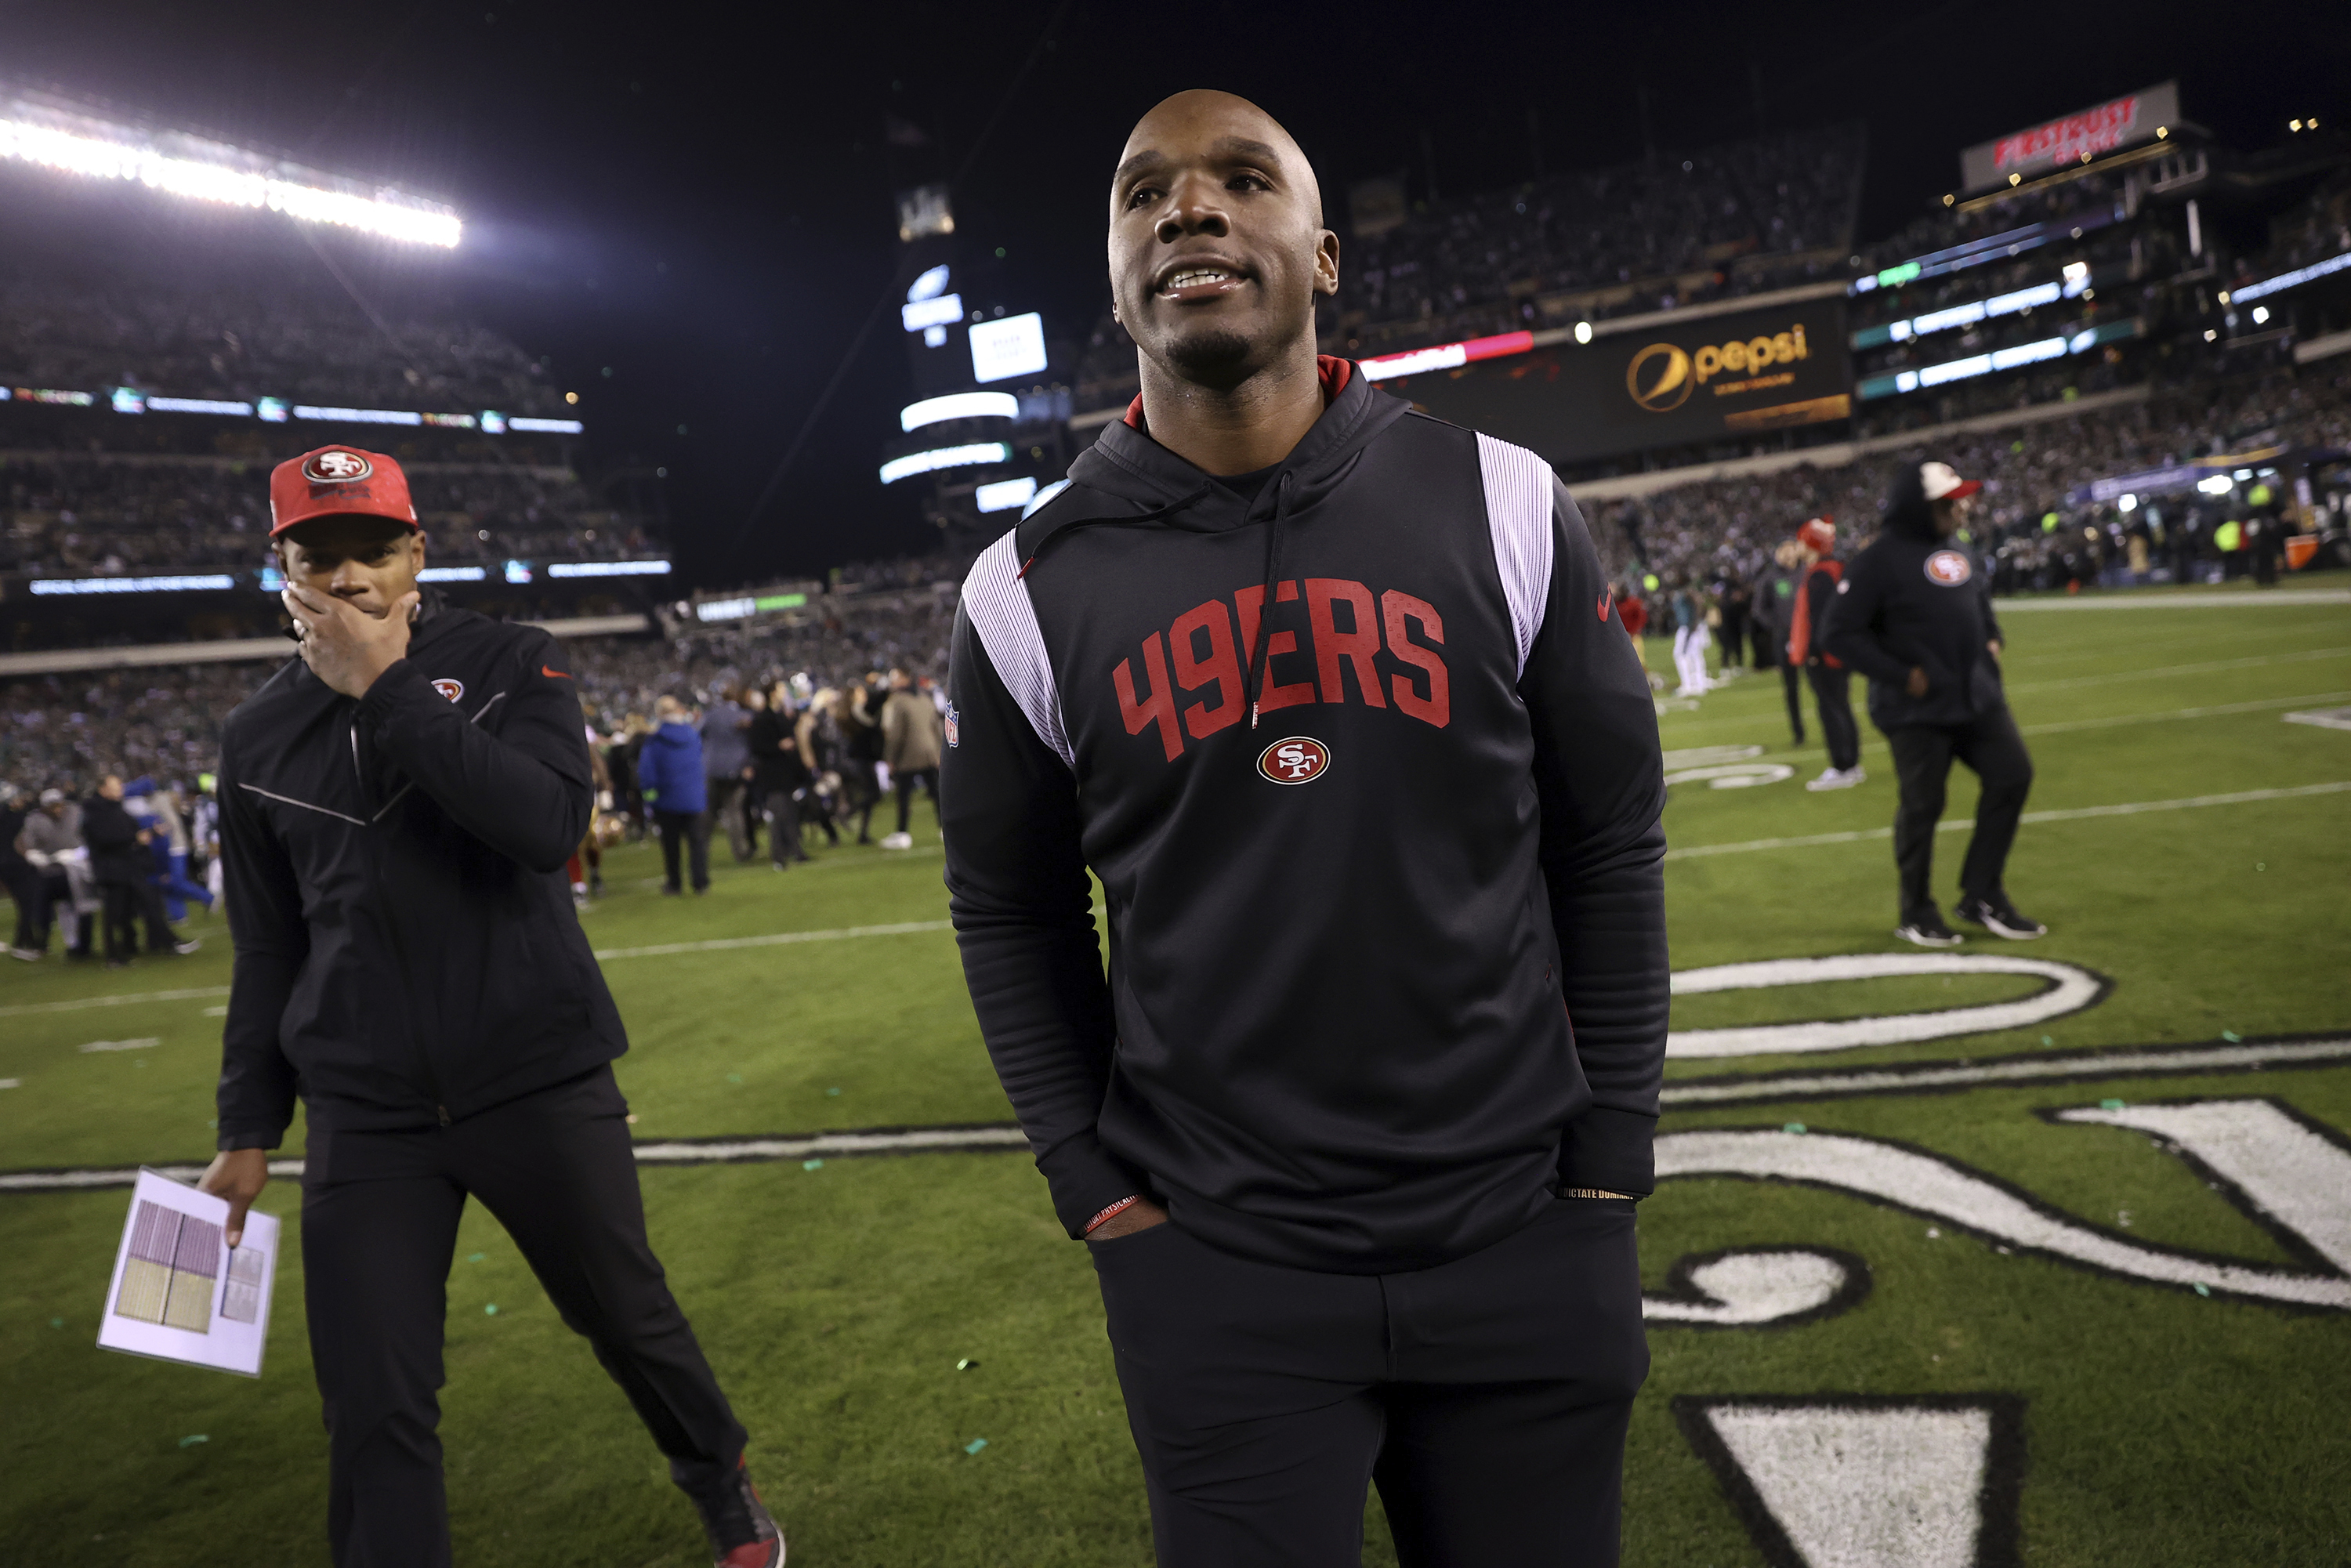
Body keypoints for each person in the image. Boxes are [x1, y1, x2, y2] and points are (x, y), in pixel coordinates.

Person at [942, 90, 1665, 1567]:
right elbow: (1011, 910)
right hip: (1220, 1268)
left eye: (1239, 180)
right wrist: (1094, 1188)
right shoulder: (1021, 587)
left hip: (1522, 1232)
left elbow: (1608, 839)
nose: (1187, 208)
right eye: (1144, 191)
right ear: (1117, 270)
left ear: (1323, 253)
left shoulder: (1505, 501)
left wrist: (1611, 1159)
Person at [194, 445, 780, 1567]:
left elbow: (545, 827)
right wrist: (245, 1125)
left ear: (419, 552)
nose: (352, 577)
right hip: (368, 1109)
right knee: (371, 1397)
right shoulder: (253, 736)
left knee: (628, 1320)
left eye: (375, 550)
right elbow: (268, 944)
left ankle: (720, 1475)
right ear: (283, 567)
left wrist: (388, 686)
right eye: (323, 556)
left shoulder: (515, 661)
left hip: (534, 1072)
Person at [1823, 460, 2045, 949]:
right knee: (1924, 806)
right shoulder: (1876, 561)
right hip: (1915, 709)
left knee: (2012, 775)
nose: (1959, 509)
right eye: (1948, 502)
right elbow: (1838, 633)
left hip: (1977, 697)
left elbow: (1978, 605)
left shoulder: (1957, 550)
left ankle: (1981, 893)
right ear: (1918, 507)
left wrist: (1992, 639)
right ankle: (1916, 910)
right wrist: (1900, 675)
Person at [81, 774, 190, 966]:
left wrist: (150, 834)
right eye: (115, 786)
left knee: (147, 904)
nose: (120, 789)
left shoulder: (115, 809)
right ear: (102, 789)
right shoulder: (96, 812)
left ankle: (162, 942)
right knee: (115, 913)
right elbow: (105, 838)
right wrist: (135, 838)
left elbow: (129, 832)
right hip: (112, 870)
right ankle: (114, 955)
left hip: (128, 867)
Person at [1788, 516, 1863, 790]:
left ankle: (1842, 766)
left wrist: (1814, 651)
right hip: (1837, 653)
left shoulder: (1820, 573)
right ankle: (1851, 764)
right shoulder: (1831, 569)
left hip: (1825, 656)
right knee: (1841, 706)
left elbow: (1820, 618)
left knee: (1831, 709)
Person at [639, 694, 713, 894]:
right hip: (694, 798)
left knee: (671, 846)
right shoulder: (692, 735)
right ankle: (701, 882)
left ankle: (675, 883)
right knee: (698, 843)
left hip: (667, 799)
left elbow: (647, 773)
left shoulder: (655, 740)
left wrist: (650, 797)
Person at [746, 684, 810, 867]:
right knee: (779, 815)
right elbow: (757, 746)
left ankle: (795, 851)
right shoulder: (763, 718)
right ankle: (779, 856)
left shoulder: (780, 715)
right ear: (773, 694)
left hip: (785, 773)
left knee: (789, 814)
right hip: (772, 775)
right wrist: (779, 746)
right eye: (781, 690)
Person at [878, 668, 940, 850]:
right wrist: (938, 752)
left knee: (903, 796)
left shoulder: (899, 701)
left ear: (905, 679)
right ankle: (945, 828)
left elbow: (896, 734)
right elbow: (936, 727)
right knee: (937, 794)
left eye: (895, 678)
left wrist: (890, 758)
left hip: (908, 756)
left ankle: (902, 834)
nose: (892, 682)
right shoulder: (925, 698)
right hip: (930, 753)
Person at [1755, 541, 1806, 745]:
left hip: (1808, 636)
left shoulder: (1806, 572)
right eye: (1783, 550)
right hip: (1785, 637)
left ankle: (1835, 730)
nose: (1788, 553)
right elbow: (1759, 609)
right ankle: (1798, 732)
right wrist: (1778, 627)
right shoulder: (1770, 577)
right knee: (1791, 687)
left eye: (1791, 548)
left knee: (1822, 684)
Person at [701, 686, 755, 864]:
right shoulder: (745, 715)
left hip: (712, 768)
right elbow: (752, 741)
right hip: (737, 769)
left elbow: (697, 733)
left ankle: (701, 853)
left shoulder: (711, 714)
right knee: (734, 812)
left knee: (709, 813)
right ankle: (740, 852)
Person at [2, 782, 47, 961]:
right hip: (14, 866)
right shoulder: (12, 818)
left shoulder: (8, 817)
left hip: (9, 866)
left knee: (25, 904)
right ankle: (21, 943)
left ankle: (31, 942)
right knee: (28, 903)